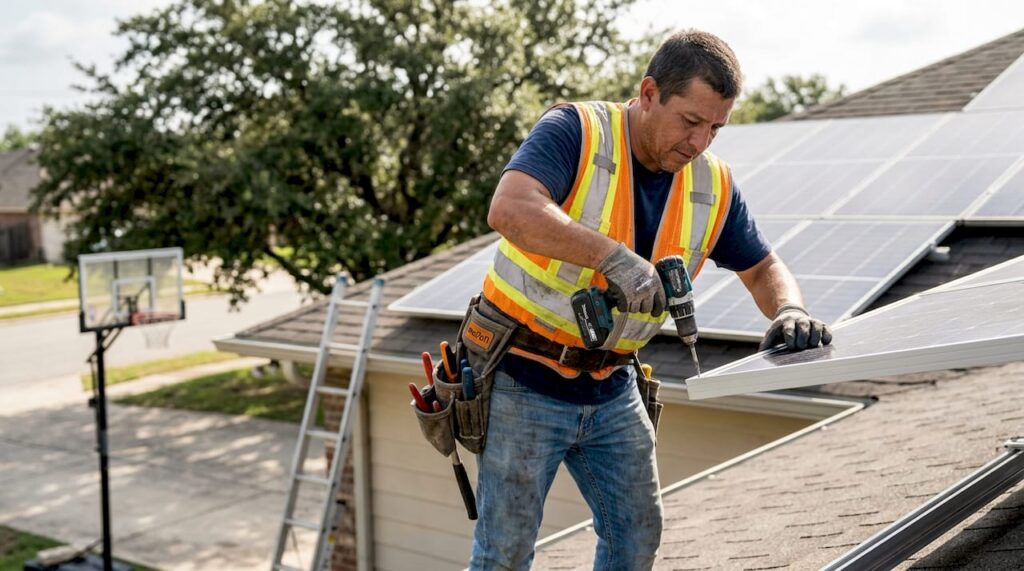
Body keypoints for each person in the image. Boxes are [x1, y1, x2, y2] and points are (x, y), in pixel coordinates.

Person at [471, 30, 831, 570]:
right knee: (505, 553)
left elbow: (763, 267)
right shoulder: (576, 131)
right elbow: (510, 207)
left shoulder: (712, 183)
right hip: (525, 376)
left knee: (636, 539)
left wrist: (789, 309)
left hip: (614, 386)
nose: (700, 142)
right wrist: (611, 258)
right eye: (690, 121)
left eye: (716, 128)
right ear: (648, 93)